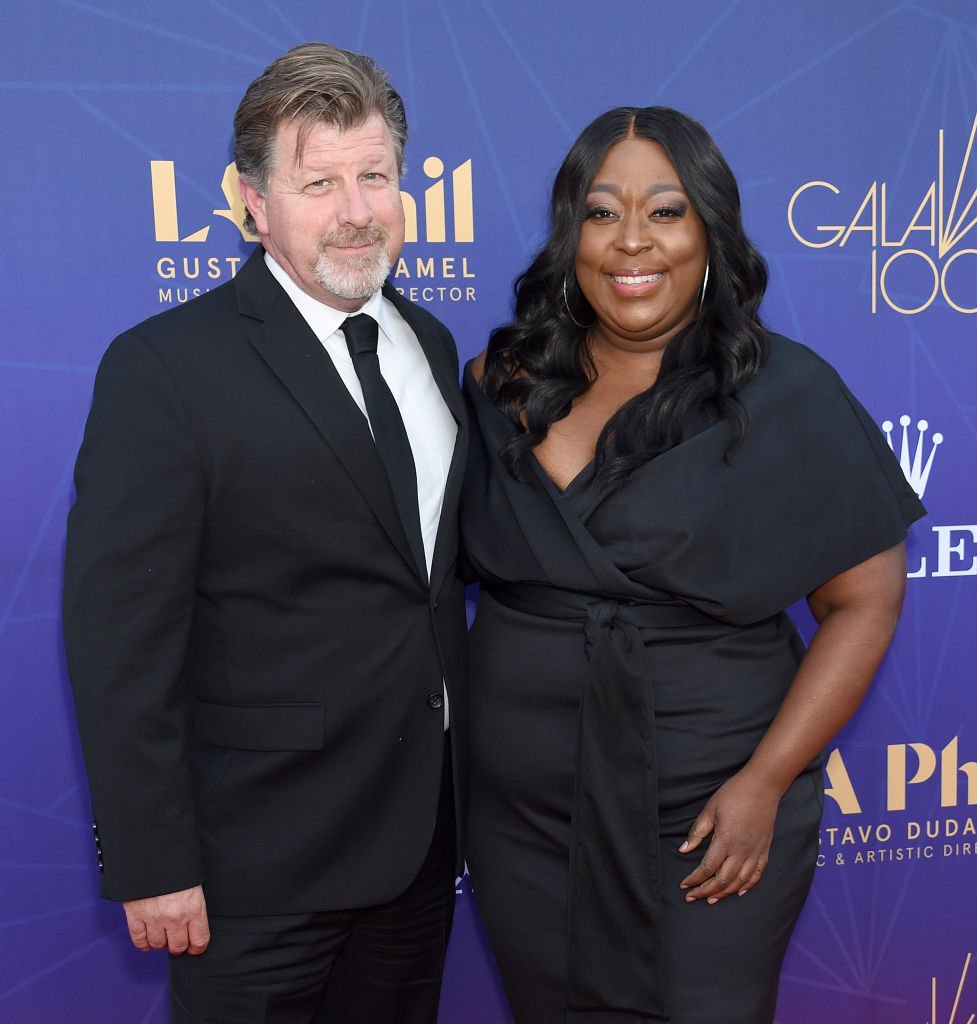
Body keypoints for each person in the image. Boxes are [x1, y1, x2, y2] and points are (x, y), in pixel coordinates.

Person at [461, 106, 923, 1024]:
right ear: (570, 233)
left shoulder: (786, 396)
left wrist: (763, 783)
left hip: (710, 817)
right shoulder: (496, 382)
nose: (631, 241)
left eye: (665, 211)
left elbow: (864, 603)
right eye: (601, 212)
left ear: (709, 229)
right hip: (522, 823)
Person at [63, 42, 467, 1024]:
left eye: (375, 176)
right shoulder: (164, 370)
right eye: (317, 181)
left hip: (418, 853)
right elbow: (120, 639)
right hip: (253, 875)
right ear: (252, 203)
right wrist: (154, 861)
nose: (355, 210)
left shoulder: (432, 345)